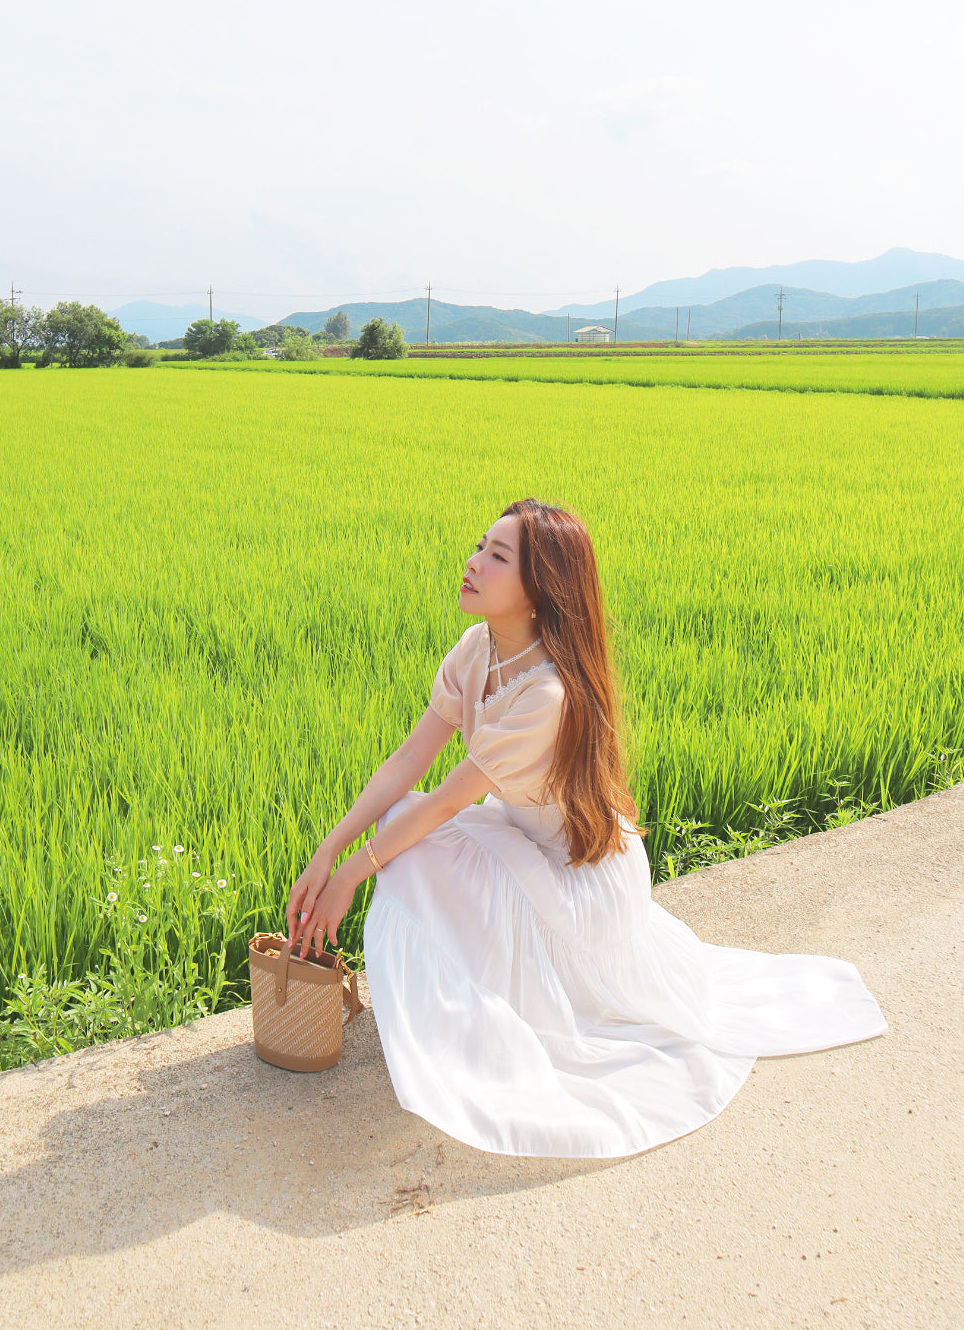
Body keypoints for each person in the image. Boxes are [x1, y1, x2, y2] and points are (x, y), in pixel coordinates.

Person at [286, 496, 887, 1160]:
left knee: (415, 837)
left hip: (587, 879)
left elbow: (443, 804)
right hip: (531, 845)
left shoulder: (545, 692)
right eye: (479, 545)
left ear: (541, 589)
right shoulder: (475, 649)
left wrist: (350, 874)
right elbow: (408, 761)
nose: (473, 561)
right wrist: (327, 851)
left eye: (497, 555)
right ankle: (461, 1002)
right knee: (407, 829)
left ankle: (466, 1016)